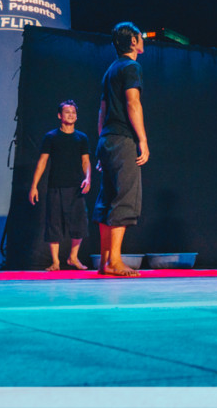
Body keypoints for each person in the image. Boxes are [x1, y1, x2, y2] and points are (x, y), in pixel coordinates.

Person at [92, 22, 149, 277]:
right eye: (140, 36)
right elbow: (133, 102)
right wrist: (142, 140)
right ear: (133, 41)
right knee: (124, 197)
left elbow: (102, 110)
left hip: (107, 139)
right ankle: (114, 261)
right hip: (122, 139)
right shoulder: (131, 66)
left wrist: (102, 143)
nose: (143, 39)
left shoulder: (110, 69)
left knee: (107, 198)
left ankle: (105, 261)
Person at [28, 100, 93, 271]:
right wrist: (34, 186)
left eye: (73, 112)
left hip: (76, 187)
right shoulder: (51, 137)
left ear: (76, 116)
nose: (71, 115)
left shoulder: (82, 138)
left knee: (79, 223)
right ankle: (55, 262)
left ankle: (73, 257)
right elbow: (42, 162)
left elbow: (86, 161)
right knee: (54, 223)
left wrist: (88, 179)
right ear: (59, 115)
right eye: (67, 112)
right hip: (55, 186)